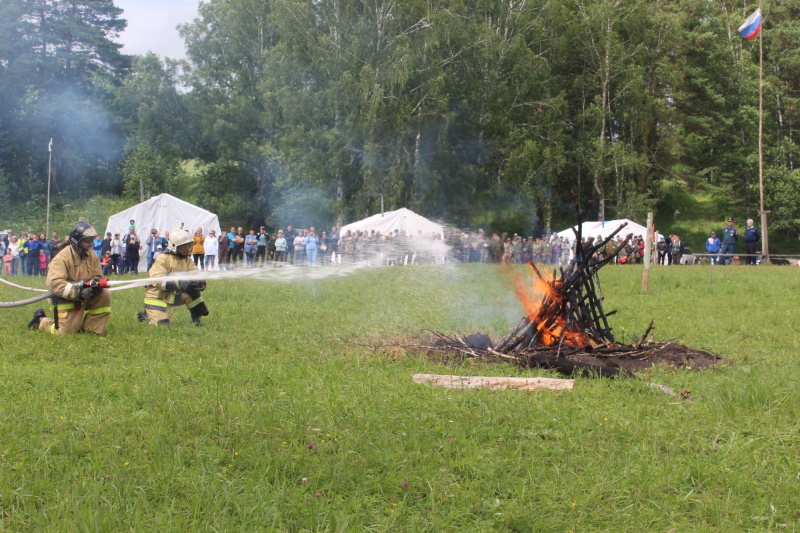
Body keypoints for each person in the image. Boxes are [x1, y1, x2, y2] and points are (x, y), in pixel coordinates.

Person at [27, 221, 111, 335]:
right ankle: (40, 321)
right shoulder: (62, 257)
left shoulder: (93, 256)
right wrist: (77, 292)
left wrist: (95, 285)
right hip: (64, 298)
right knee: (65, 333)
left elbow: (96, 276)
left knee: (104, 293)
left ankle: (90, 330)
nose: (90, 243)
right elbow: (54, 283)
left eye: (92, 239)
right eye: (87, 240)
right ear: (76, 241)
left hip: (84, 295)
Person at [137, 228, 208, 326]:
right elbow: (157, 280)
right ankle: (145, 316)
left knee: (192, 290)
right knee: (163, 325)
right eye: (184, 246)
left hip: (174, 294)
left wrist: (199, 282)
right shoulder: (163, 258)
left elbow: (195, 273)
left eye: (188, 245)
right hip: (157, 296)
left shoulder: (187, 260)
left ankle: (197, 319)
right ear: (174, 246)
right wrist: (179, 282)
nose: (187, 248)